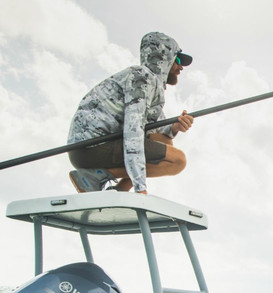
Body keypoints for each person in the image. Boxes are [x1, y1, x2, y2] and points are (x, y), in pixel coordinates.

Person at [67, 31, 194, 194]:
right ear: (164, 59)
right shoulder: (142, 77)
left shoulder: (152, 87)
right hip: (89, 148)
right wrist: (140, 188)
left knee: (166, 143)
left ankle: (118, 190)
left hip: (91, 147)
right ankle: (95, 176)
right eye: (177, 59)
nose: (181, 67)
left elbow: (157, 131)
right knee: (177, 160)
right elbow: (133, 131)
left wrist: (175, 128)